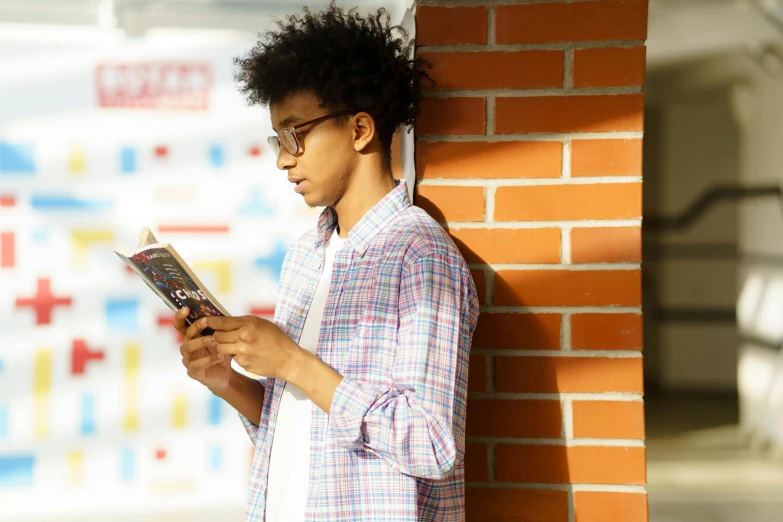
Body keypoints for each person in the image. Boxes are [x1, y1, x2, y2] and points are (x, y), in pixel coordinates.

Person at [174, 4, 479, 521]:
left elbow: (432, 444)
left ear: (360, 129)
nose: (282, 159)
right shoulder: (305, 256)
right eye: (277, 139)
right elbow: (297, 424)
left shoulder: (420, 256)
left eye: (297, 134)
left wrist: (292, 361)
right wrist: (227, 380)